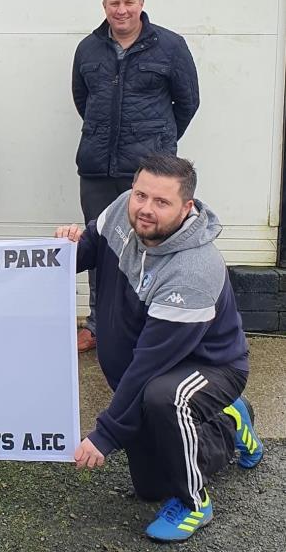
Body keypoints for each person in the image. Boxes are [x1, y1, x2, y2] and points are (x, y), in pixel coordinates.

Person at [55, 154, 263, 542]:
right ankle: (229, 423)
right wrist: (66, 249)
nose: (145, 209)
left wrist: (105, 434)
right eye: (141, 195)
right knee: (150, 486)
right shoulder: (123, 209)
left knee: (164, 398)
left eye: (161, 202)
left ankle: (194, 502)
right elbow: (90, 248)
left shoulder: (193, 270)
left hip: (208, 366)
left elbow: (149, 366)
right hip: (157, 366)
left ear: (186, 208)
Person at [71, 0, 200, 353]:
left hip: (148, 173)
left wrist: (158, 144)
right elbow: (83, 100)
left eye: (129, 2)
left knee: (151, 245)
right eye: (114, 3)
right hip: (97, 168)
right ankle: (97, 325)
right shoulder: (87, 49)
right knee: (99, 245)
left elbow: (187, 103)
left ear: (141, 4)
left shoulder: (170, 47)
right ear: (105, 7)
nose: (122, 10)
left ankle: (148, 322)